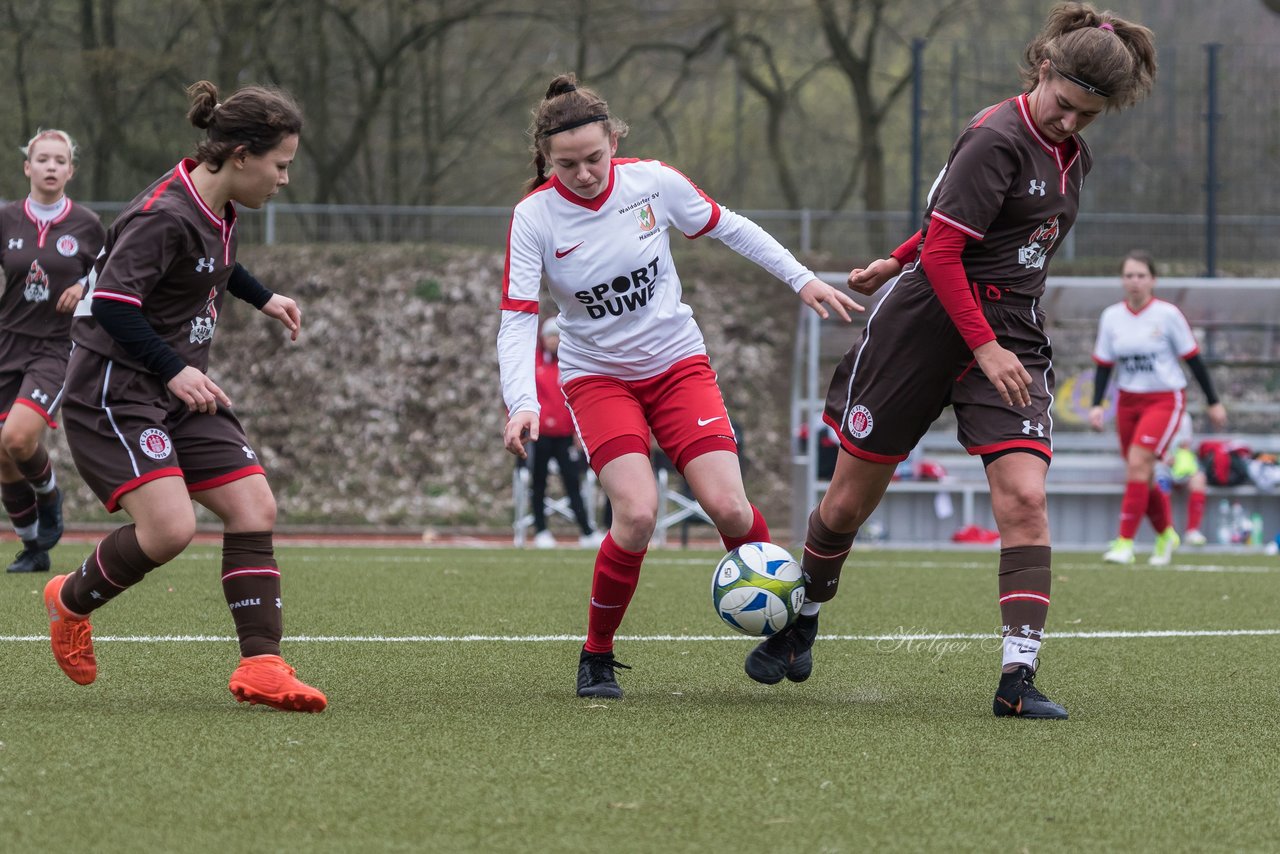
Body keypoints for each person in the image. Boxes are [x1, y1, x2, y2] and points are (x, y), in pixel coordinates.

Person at [747, 3, 1157, 719]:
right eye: (1064, 106)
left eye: (1087, 116)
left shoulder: (1070, 155)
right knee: (847, 503)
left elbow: (966, 223)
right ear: (1043, 68)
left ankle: (1017, 682)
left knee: (1026, 499)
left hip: (1010, 332)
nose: (1070, 123)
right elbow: (946, 249)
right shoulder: (995, 136)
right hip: (928, 325)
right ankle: (802, 620)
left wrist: (894, 257)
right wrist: (968, 330)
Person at [499, 73, 862, 699]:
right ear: (545, 160)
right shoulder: (533, 217)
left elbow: (732, 227)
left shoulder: (654, 183)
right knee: (636, 515)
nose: (583, 173)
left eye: (594, 157)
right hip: (598, 379)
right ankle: (597, 655)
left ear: (614, 141)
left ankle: (795, 624)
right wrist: (523, 402)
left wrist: (801, 279)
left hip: (678, 368)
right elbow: (517, 318)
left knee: (728, 507)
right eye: (566, 164)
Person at [41, 80, 326, 712]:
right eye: (281, 165)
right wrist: (173, 370)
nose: (284, 179)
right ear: (243, 155)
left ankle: (263, 666)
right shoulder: (163, 214)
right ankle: (67, 602)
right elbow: (114, 304)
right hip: (117, 386)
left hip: (176, 385)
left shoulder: (218, 202)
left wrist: (262, 296)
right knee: (170, 530)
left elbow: (213, 265)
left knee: (254, 505)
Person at [0, 130, 106, 574]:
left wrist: (82, 287)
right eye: (41, 159)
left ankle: (49, 495)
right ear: (27, 167)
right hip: (7, 342)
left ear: (70, 170)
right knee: (3, 457)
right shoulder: (6, 219)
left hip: (55, 348)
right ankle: (33, 547)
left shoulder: (87, 224)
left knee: (17, 439)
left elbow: (108, 276)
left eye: (58, 160)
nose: (49, 166)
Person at [1089, 251, 1226, 565]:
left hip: (1164, 399)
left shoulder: (1168, 315)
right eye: (1129, 276)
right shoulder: (1111, 317)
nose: (1134, 282)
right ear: (1122, 280)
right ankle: (1166, 534)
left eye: (1140, 275)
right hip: (1127, 400)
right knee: (1143, 474)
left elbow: (1193, 360)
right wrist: (1097, 405)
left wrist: (1213, 401)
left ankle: (1125, 542)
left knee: (1138, 462)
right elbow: (1103, 365)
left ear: (1153, 280)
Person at [528, 316, 601, 549]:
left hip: (564, 435)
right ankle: (540, 530)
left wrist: (579, 432)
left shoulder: (569, 365)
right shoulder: (534, 364)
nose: (553, 340)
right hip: (540, 434)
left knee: (572, 481)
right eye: (549, 336)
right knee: (538, 482)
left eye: (557, 336)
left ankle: (587, 531)